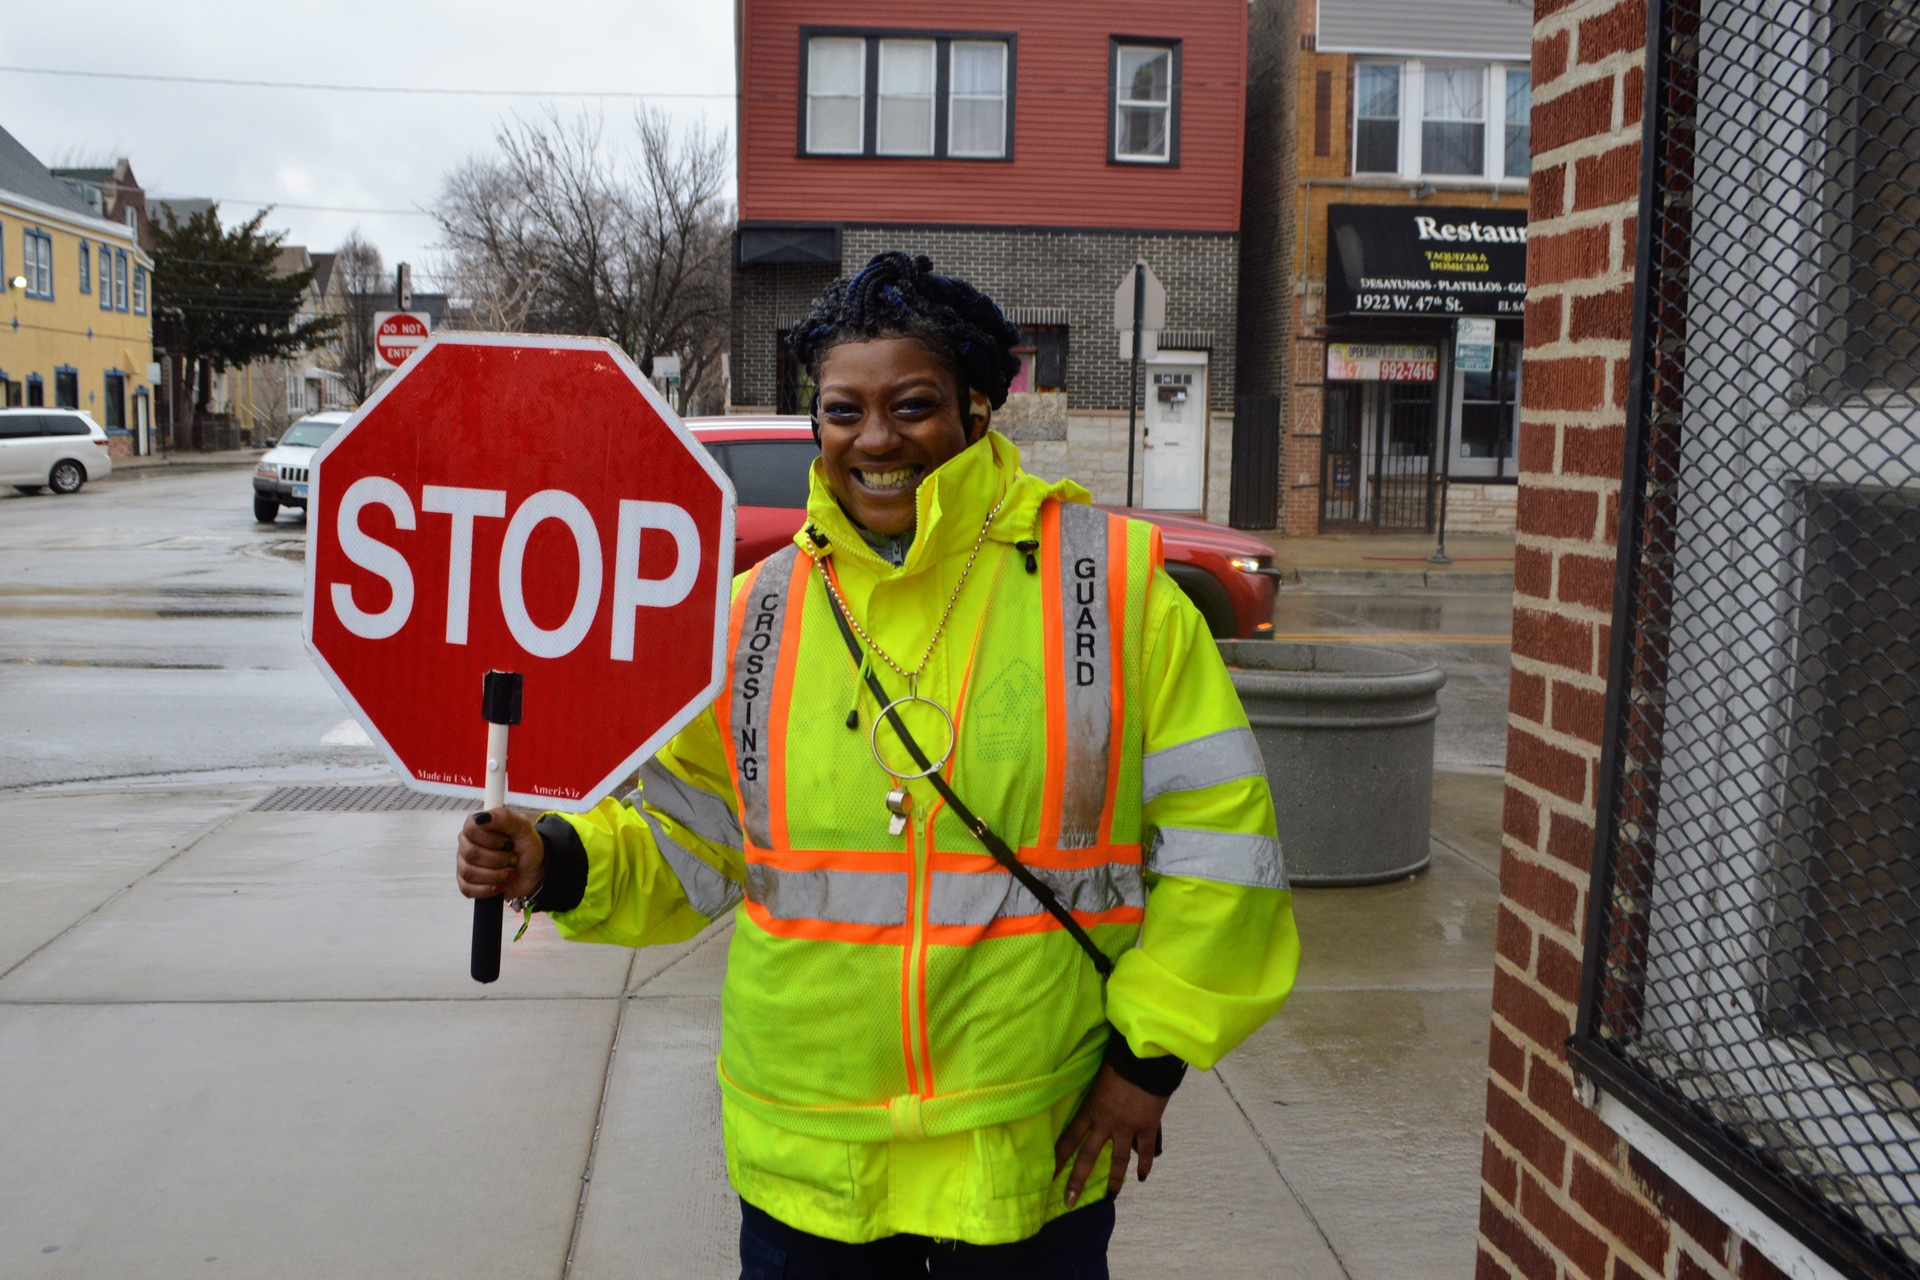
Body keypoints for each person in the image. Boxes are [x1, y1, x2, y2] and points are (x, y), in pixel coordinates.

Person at [456, 251, 1299, 1277]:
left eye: (912, 404)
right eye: (842, 409)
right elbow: (691, 839)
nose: (876, 438)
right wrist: (553, 860)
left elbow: (1224, 854)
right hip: (809, 1160)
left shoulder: (1115, 593)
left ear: (978, 406)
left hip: (1027, 1152)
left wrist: (1147, 1064)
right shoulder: (751, 616)